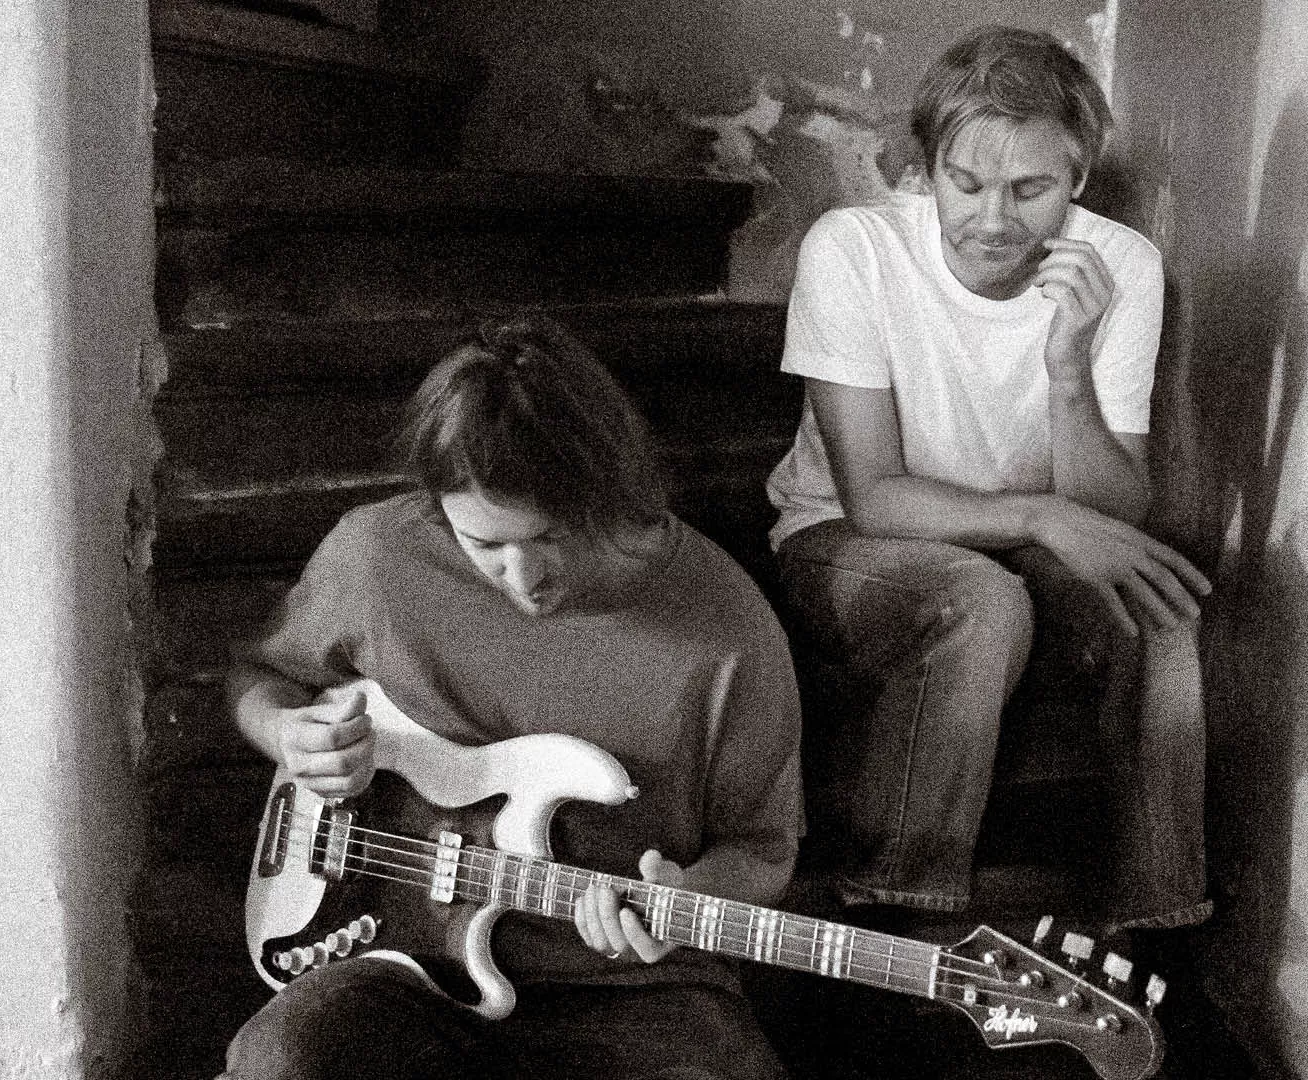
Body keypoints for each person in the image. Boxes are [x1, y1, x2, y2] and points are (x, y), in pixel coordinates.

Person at [222, 316, 802, 1080]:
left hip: (636, 991)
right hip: (402, 971)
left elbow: (762, 850)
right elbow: (261, 676)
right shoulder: (377, 555)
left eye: (552, 535)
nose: (523, 579)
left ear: (610, 491)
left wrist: (686, 897)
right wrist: (284, 732)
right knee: (280, 1061)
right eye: (485, 545)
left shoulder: (727, 627)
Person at [765, 25, 1214, 937]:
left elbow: (1115, 509)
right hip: (844, 539)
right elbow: (873, 496)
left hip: (1024, 539)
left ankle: (1158, 926)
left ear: (1077, 176)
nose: (994, 220)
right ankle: (901, 917)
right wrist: (1042, 516)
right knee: (981, 599)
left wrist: (1069, 367)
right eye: (965, 183)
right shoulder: (854, 249)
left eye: (1030, 189)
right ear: (927, 167)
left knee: (1158, 609)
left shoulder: (1120, 265)